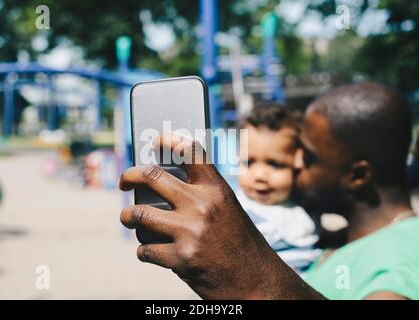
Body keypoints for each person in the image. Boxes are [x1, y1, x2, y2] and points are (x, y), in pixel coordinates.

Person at [119, 82, 419, 300]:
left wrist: (252, 273)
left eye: (308, 156)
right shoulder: (344, 240)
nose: (295, 165)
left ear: (357, 175)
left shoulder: (401, 256)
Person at [236, 103, 320, 274]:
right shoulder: (237, 212)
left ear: (298, 161)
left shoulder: (306, 202)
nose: (259, 175)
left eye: (274, 164)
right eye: (248, 162)